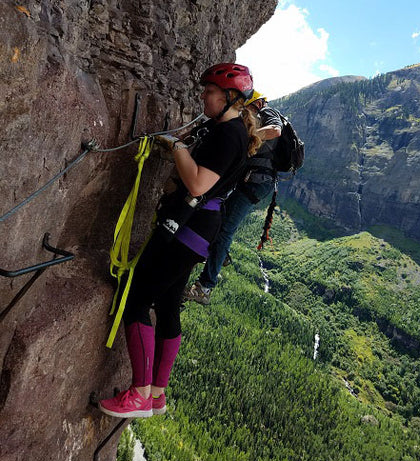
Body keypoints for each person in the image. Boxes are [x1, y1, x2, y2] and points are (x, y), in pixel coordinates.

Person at [99, 63, 261, 418]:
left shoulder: (228, 134)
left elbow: (198, 184)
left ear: (229, 97)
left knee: (138, 300)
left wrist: (176, 148)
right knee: (169, 305)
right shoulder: (225, 129)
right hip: (199, 229)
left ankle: (140, 393)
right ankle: (157, 393)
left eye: (209, 92)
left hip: (186, 226)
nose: (203, 96)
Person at [184, 91, 283, 305]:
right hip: (249, 181)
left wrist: (249, 136)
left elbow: (275, 131)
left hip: (255, 182)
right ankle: (222, 253)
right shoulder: (250, 116)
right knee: (218, 215)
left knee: (225, 229)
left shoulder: (268, 113)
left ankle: (205, 287)